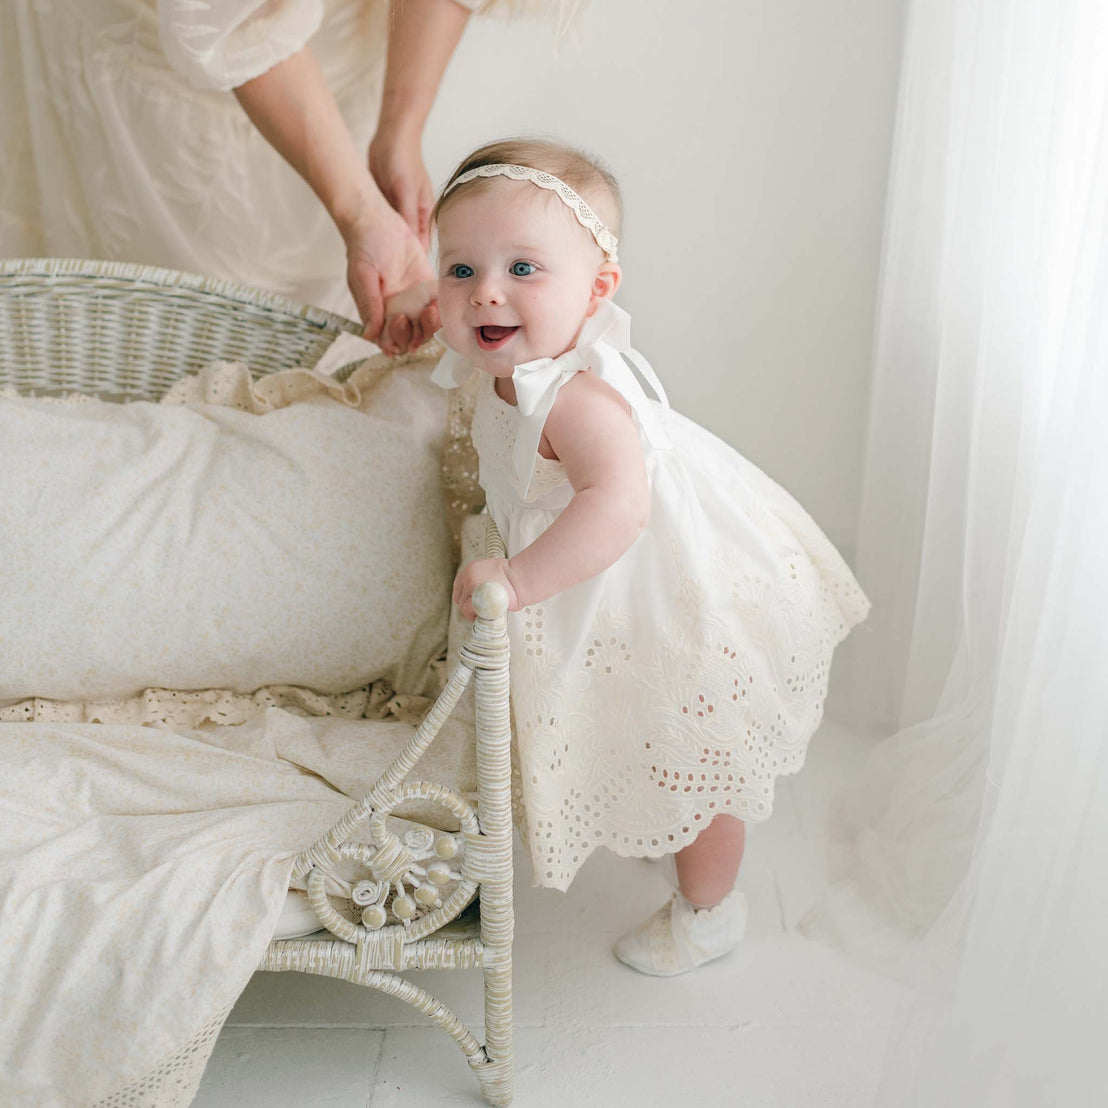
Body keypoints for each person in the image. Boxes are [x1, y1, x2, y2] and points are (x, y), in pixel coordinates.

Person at [419, 137, 872, 976]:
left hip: (668, 595)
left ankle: (710, 913)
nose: (486, 291)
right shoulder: (512, 364)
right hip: (607, 588)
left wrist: (515, 579)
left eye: (524, 270)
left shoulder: (577, 399)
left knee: (692, 751)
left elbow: (618, 508)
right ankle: (663, 834)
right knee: (634, 733)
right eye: (460, 270)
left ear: (596, 291)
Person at [0, 0, 486, 346]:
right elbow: (234, 19)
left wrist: (400, 129)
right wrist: (360, 211)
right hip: (162, 52)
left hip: (347, 52)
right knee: (167, 320)